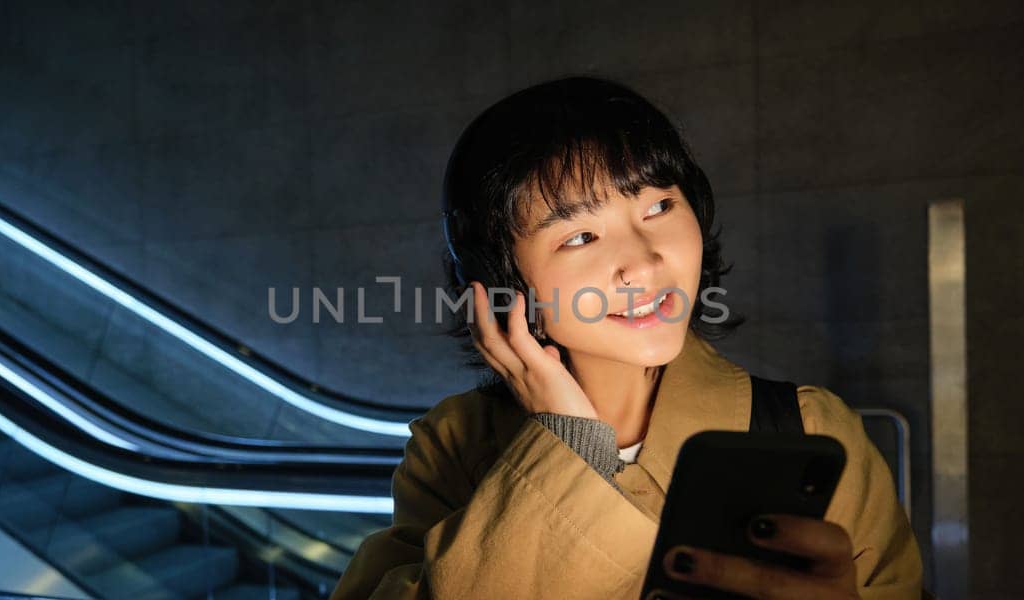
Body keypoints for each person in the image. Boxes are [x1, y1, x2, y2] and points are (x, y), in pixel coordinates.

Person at [331, 76, 922, 599]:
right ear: (497, 278)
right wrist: (569, 441)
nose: (641, 264)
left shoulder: (808, 429)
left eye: (660, 205)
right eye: (580, 237)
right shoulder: (454, 446)